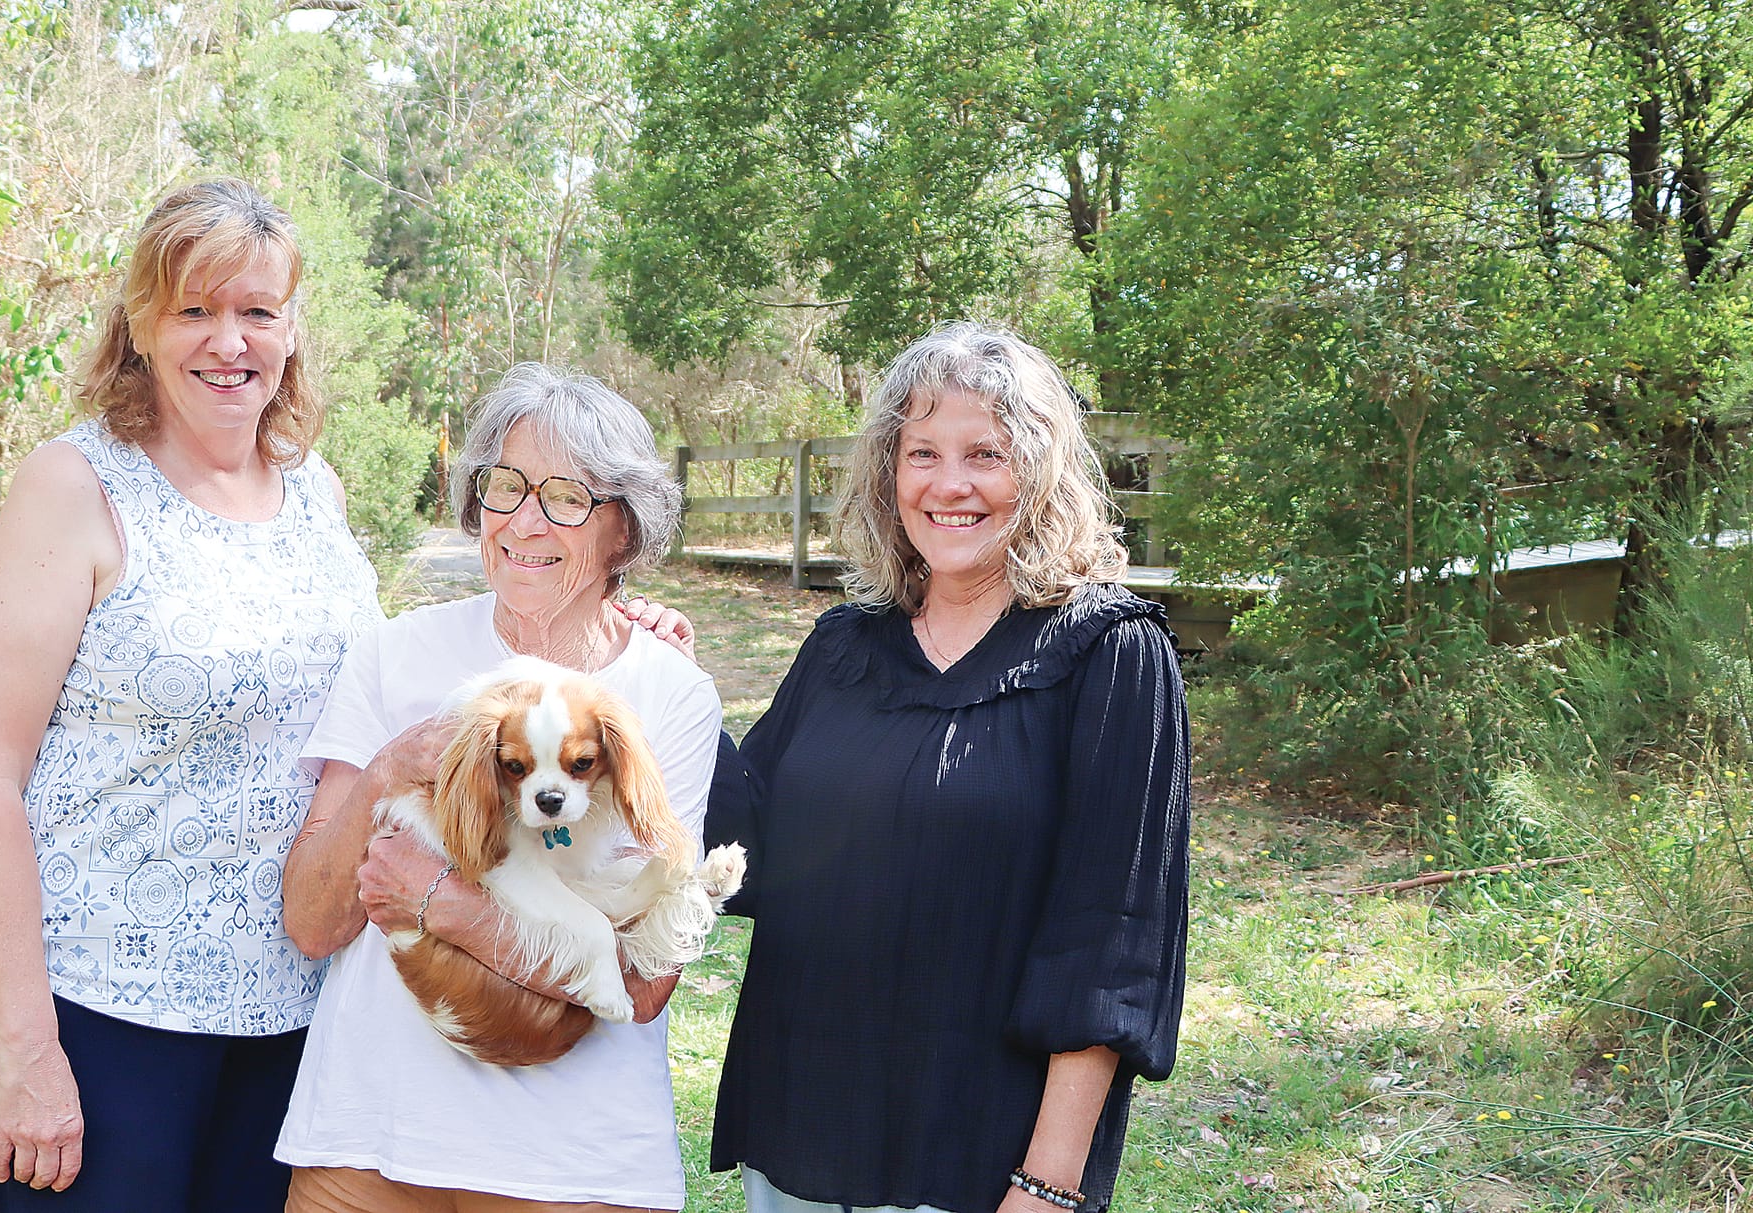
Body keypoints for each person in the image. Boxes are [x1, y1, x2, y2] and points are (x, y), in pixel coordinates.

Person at [0, 179, 384, 1211]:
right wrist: (27, 1044)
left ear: (291, 328)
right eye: (196, 310)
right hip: (87, 998)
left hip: (281, 1002)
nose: (230, 341)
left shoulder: (316, 491)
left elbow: (380, 696)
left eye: (257, 311)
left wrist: (610, 629)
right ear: (141, 323)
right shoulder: (74, 486)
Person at [694, 322, 1190, 1213]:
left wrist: (1047, 1183)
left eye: (985, 454)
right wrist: (668, 684)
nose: (949, 484)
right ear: (889, 474)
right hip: (800, 1135)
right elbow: (742, 849)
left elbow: (1111, 943)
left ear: (1040, 470)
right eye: (921, 452)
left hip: (976, 1159)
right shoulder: (843, 649)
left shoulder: (1112, 655)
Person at [277, 363, 722, 1213]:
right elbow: (311, 919)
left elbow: (641, 981)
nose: (524, 520)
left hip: (572, 1164)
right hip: (366, 1136)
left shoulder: (667, 693)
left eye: (566, 497)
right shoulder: (395, 653)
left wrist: (437, 900)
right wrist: (390, 771)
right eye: (506, 485)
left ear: (623, 530)